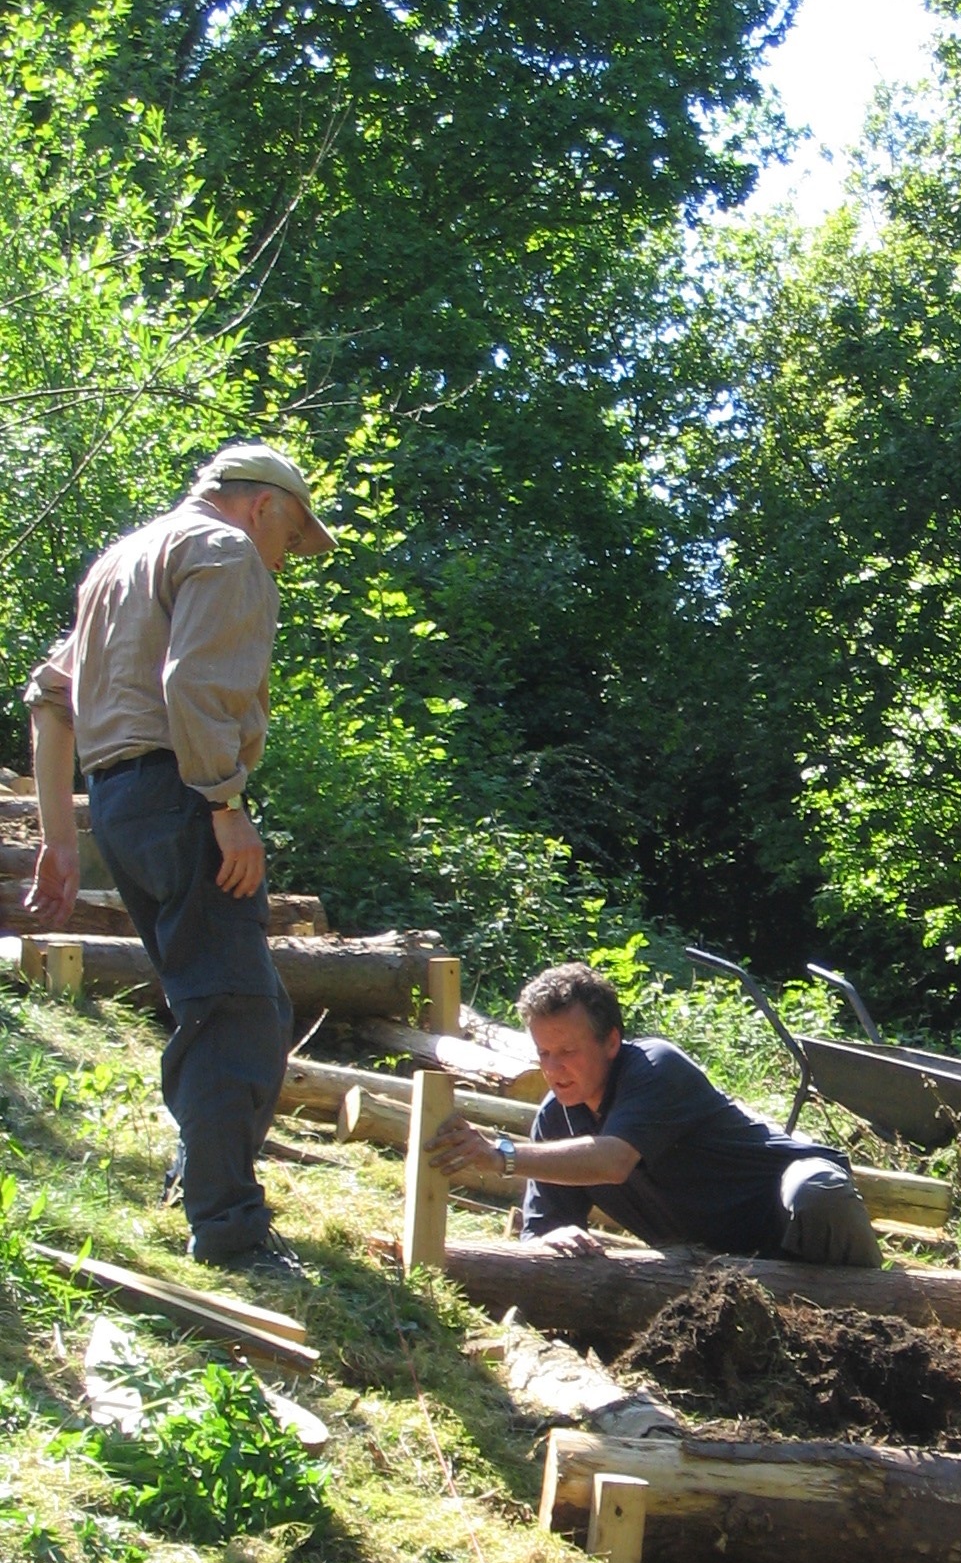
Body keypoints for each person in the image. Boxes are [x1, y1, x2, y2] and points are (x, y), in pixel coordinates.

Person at [23, 444, 335, 1273]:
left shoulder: (119, 562)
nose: (284, 558)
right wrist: (226, 805)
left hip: (124, 806)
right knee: (233, 1006)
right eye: (291, 537)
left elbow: (50, 699)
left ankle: (200, 1176)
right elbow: (196, 685)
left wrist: (62, 839)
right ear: (263, 506)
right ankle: (229, 1231)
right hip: (182, 794)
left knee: (241, 1000)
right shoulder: (227, 550)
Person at [426, 961, 883, 1266]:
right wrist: (549, 1241)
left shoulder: (654, 1067)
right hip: (723, 1267)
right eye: (544, 1053)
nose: (553, 1069)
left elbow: (611, 1160)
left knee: (816, 1192)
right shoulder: (555, 1120)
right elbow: (543, 1227)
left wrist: (499, 1155)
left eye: (567, 1051)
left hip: (795, 1220)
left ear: (611, 1041)